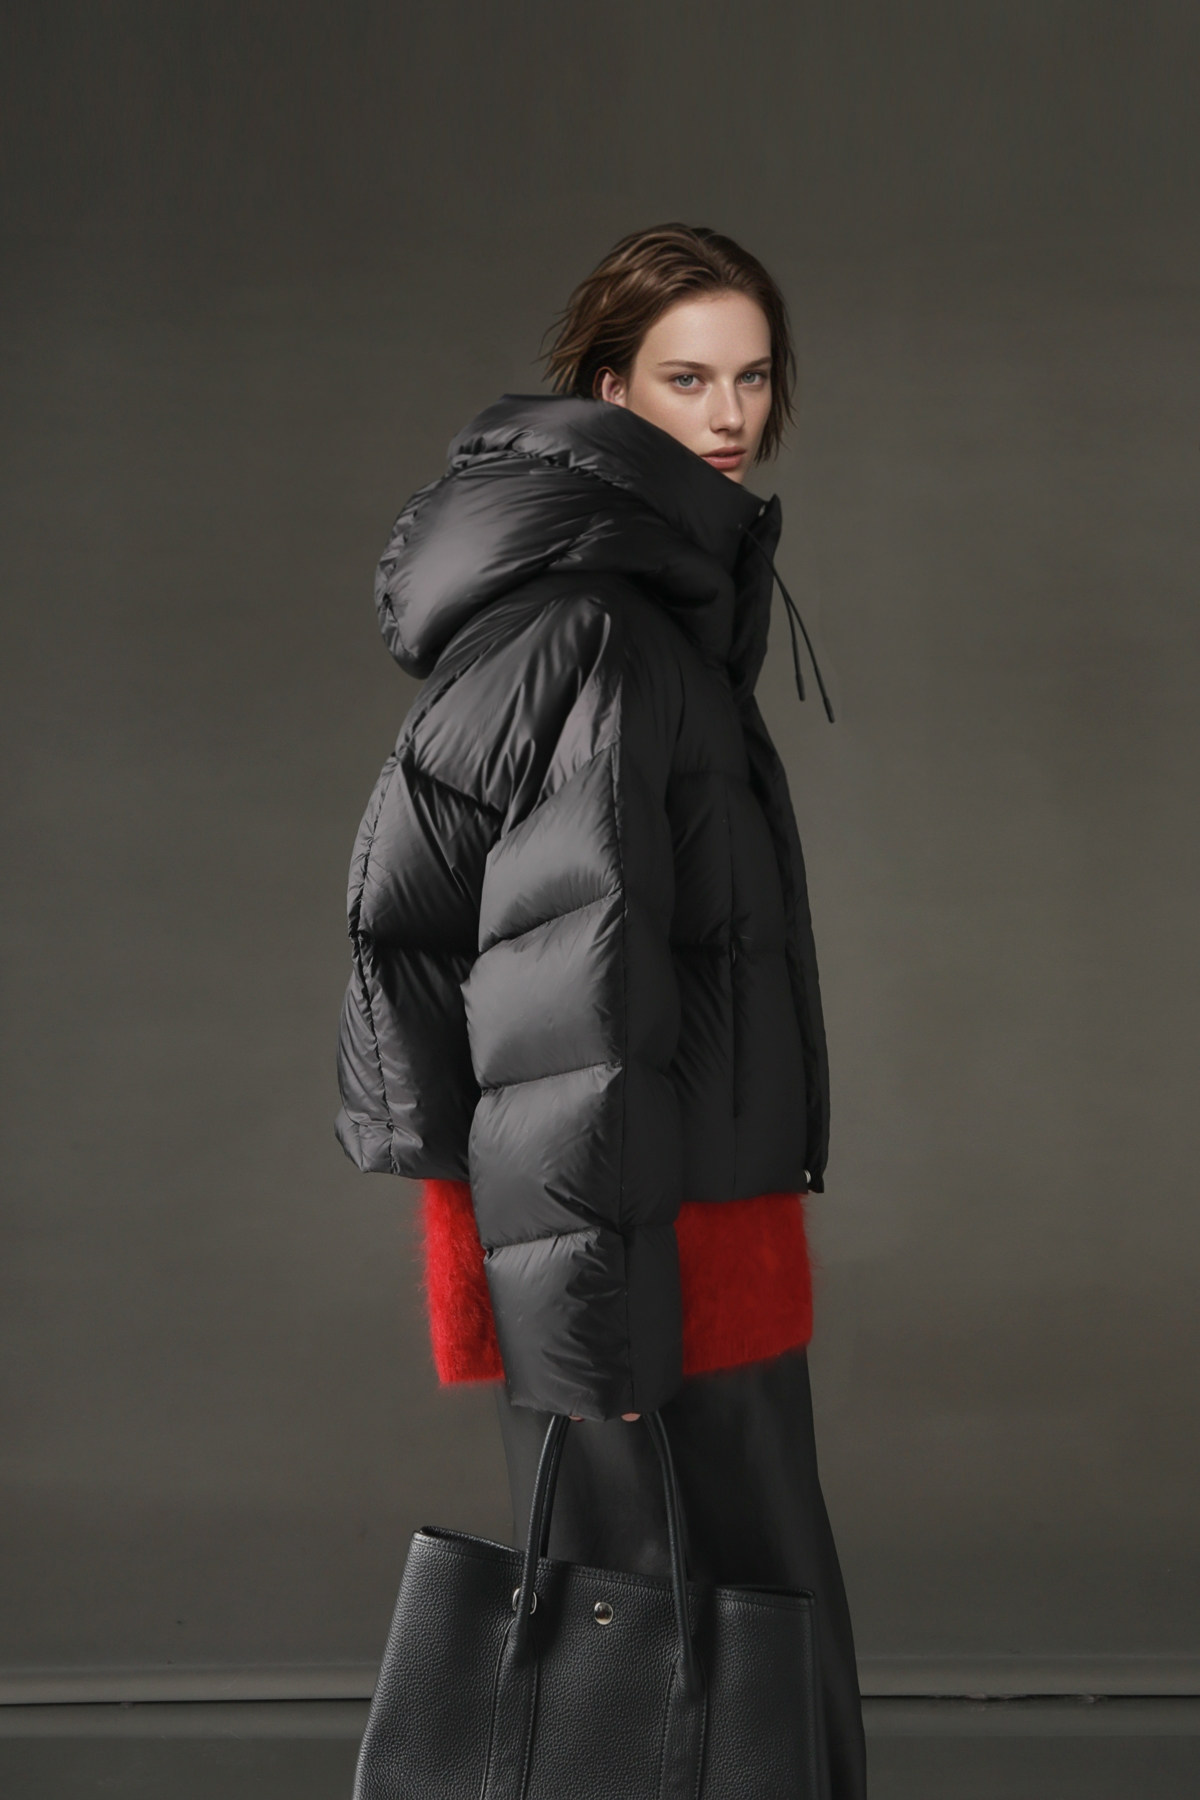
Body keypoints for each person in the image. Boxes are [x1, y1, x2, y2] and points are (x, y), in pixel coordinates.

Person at [334, 222, 867, 1798]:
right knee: (700, 1624)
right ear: (610, 390)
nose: (731, 413)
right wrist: (591, 1316)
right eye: (689, 378)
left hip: (668, 1193)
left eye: (753, 376)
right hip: (634, 1218)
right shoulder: (607, 630)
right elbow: (568, 984)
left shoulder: (642, 602)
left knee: (716, 1621)